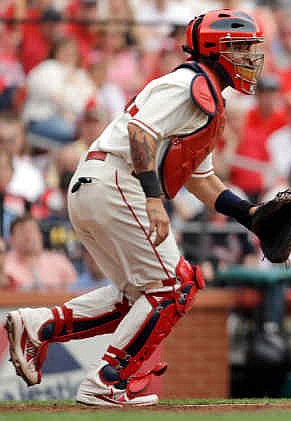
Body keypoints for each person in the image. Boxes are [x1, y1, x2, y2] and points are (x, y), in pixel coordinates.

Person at [3, 9, 276, 407]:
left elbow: (201, 179)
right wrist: (152, 198)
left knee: (141, 298)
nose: (250, 57)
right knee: (174, 286)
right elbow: (140, 132)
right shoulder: (188, 83)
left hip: (99, 183)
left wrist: (248, 214)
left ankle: (39, 324)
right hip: (118, 180)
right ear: (217, 49)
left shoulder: (205, 94)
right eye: (241, 48)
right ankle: (108, 380)